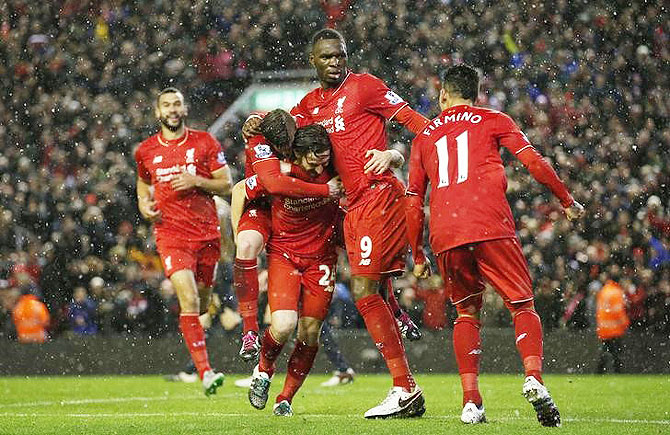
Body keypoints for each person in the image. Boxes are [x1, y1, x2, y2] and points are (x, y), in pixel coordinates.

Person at [405, 64, 585, 426]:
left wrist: (417, 253)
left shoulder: (424, 135)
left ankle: (471, 402)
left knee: (467, 313)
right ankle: (533, 377)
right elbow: (532, 161)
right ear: (476, 94)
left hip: (446, 233)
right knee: (522, 304)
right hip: (490, 224)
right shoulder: (492, 119)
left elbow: (412, 198)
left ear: (443, 95)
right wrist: (566, 200)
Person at [290, 28, 429, 419]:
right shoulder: (309, 106)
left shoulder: (365, 87)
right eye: (327, 57)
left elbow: (420, 126)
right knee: (370, 288)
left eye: (340, 55)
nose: (335, 62)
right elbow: (285, 133)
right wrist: (257, 124)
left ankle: (404, 387)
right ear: (313, 60)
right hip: (349, 207)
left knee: (364, 289)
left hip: (378, 196)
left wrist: (395, 155)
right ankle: (405, 377)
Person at [231, 124, 344, 416]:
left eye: (324, 157)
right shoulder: (281, 173)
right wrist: (235, 231)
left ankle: (285, 398)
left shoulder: (337, 173)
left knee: (310, 333)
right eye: (313, 158)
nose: (319, 164)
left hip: (321, 260)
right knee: (282, 326)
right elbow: (241, 189)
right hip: (284, 255)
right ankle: (264, 370)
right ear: (297, 154)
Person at [135, 87, 231, 396]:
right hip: (170, 235)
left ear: (184, 109)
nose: (172, 109)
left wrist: (197, 181)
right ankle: (205, 372)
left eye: (177, 104)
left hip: (206, 234)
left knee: (202, 303)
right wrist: (143, 204)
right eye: (166, 105)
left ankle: (209, 303)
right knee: (188, 301)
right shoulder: (146, 151)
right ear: (158, 113)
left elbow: (227, 183)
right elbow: (143, 183)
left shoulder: (205, 142)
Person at [596, 279, 630, 373]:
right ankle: (617, 371)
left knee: (605, 351)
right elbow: (618, 311)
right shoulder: (616, 292)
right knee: (617, 352)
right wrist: (626, 323)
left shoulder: (603, 290)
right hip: (614, 328)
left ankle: (599, 371)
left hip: (603, 328)